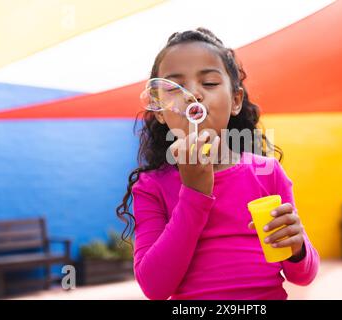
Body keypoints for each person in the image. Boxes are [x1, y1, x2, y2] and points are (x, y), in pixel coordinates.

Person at [116, 27, 319, 300]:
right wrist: (194, 194)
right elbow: (155, 288)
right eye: (175, 87)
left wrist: (298, 248)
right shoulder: (152, 186)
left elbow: (302, 276)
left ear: (235, 101)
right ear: (160, 110)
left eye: (209, 83)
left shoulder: (266, 173)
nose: (193, 95)